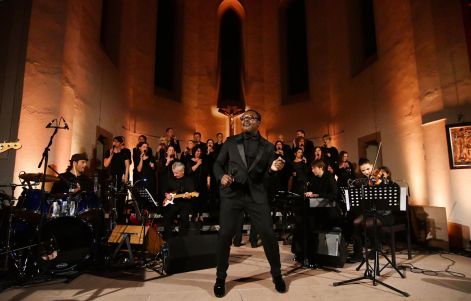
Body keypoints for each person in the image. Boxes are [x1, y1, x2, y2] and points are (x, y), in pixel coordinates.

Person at [213, 109, 287, 297]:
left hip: (256, 196)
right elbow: (217, 164)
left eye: (249, 118)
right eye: (243, 118)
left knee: (269, 235)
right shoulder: (231, 142)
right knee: (224, 235)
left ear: (259, 122)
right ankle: (220, 277)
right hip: (233, 194)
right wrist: (221, 177)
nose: (244, 120)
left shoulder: (268, 147)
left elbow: (268, 177)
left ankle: (277, 274)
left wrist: (272, 169)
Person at [291, 159, 338, 265]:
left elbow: (334, 195)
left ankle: (313, 255)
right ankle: (301, 253)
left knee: (310, 224)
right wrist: (310, 193)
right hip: (317, 208)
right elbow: (314, 192)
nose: (312, 170)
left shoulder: (330, 178)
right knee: (300, 223)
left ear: (320, 168)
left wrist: (317, 195)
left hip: (328, 210)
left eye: (314, 168)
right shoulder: (315, 179)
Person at [162, 162, 195, 240]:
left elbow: (192, 193)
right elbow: (164, 190)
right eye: (173, 173)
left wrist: (188, 196)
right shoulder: (171, 180)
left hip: (184, 204)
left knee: (184, 218)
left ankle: (181, 240)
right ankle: (168, 240)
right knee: (167, 216)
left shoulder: (188, 181)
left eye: (176, 173)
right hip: (173, 204)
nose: (174, 175)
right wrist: (166, 195)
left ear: (182, 171)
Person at [104, 136, 131, 222]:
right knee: (111, 199)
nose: (114, 143)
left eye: (116, 142)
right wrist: (111, 155)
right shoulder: (109, 152)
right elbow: (105, 164)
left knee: (120, 200)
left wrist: (126, 178)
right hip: (112, 178)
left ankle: (120, 219)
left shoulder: (124, 153)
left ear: (120, 143)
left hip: (121, 178)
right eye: (113, 141)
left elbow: (127, 166)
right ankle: (110, 219)